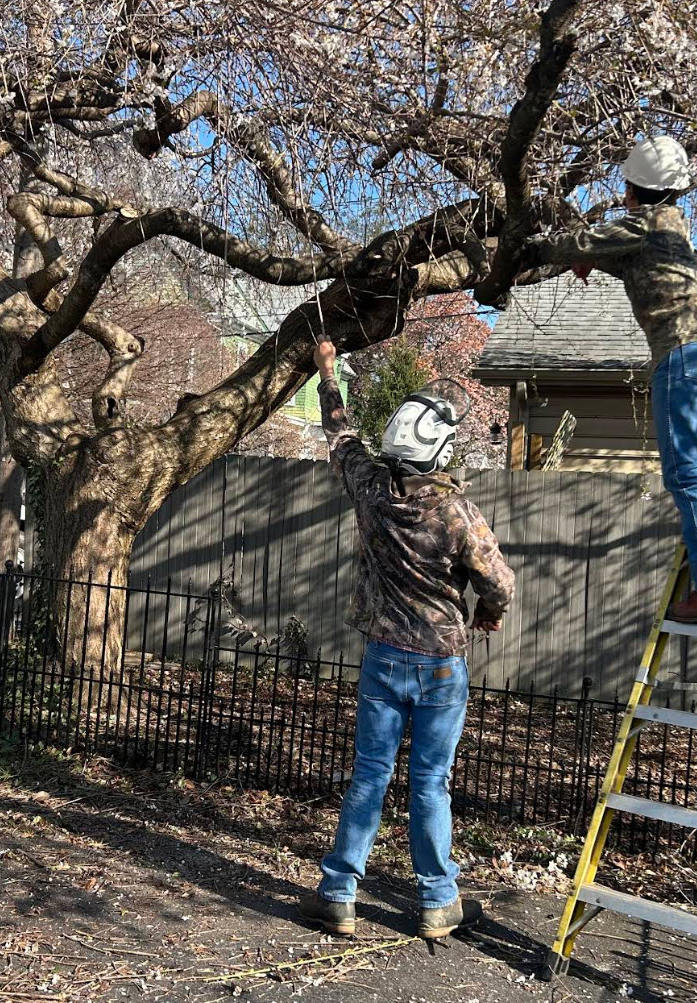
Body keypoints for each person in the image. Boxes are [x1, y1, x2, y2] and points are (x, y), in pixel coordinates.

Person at [520, 136, 697, 630]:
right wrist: (589, 258)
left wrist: (538, 248)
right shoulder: (673, 230)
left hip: (682, 358)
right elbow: (619, 258)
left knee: (687, 475)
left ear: (630, 189)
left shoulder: (642, 224)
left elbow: (582, 241)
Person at [297, 338, 516, 940]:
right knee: (429, 782)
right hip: (442, 663)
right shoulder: (456, 512)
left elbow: (340, 437)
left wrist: (327, 371)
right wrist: (488, 613)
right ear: (440, 449)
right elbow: (500, 583)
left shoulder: (371, 490)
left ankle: (339, 893)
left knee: (370, 774)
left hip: (384, 658)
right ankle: (437, 902)